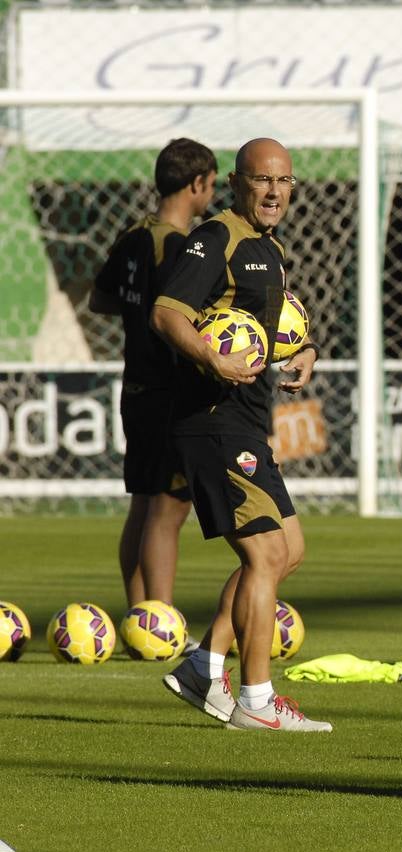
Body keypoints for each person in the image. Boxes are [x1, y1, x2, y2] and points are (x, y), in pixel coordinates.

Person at [152, 137, 329, 732]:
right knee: (264, 553)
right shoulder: (216, 238)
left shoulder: (269, 249)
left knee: (290, 551)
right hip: (212, 420)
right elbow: (167, 313)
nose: (275, 191)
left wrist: (301, 351)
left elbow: (268, 328)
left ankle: (204, 662)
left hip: (249, 420)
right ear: (236, 182)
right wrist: (212, 359)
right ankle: (255, 700)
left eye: (284, 182)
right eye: (262, 180)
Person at [89, 138, 216, 610]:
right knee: (168, 508)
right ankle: (159, 622)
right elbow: (178, 317)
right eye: (211, 184)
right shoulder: (180, 247)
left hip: (135, 387)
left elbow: (99, 299)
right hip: (167, 390)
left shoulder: (134, 236)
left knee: (142, 505)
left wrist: (134, 306)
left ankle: (138, 616)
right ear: (197, 183)